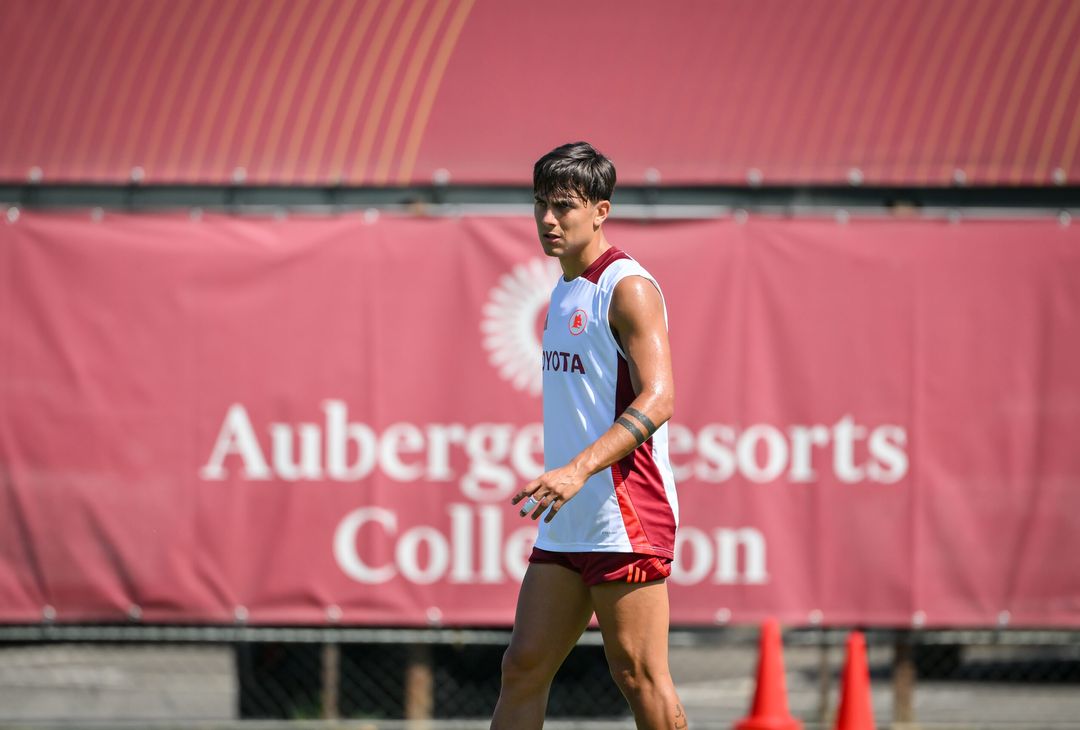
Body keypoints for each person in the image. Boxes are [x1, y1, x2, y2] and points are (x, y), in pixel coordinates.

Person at [491, 142, 686, 729]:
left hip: (624, 514)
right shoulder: (563, 291)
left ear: (600, 211)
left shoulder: (626, 287)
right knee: (523, 666)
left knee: (639, 677)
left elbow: (661, 397)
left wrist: (577, 469)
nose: (548, 220)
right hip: (570, 518)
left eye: (564, 207)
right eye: (540, 206)